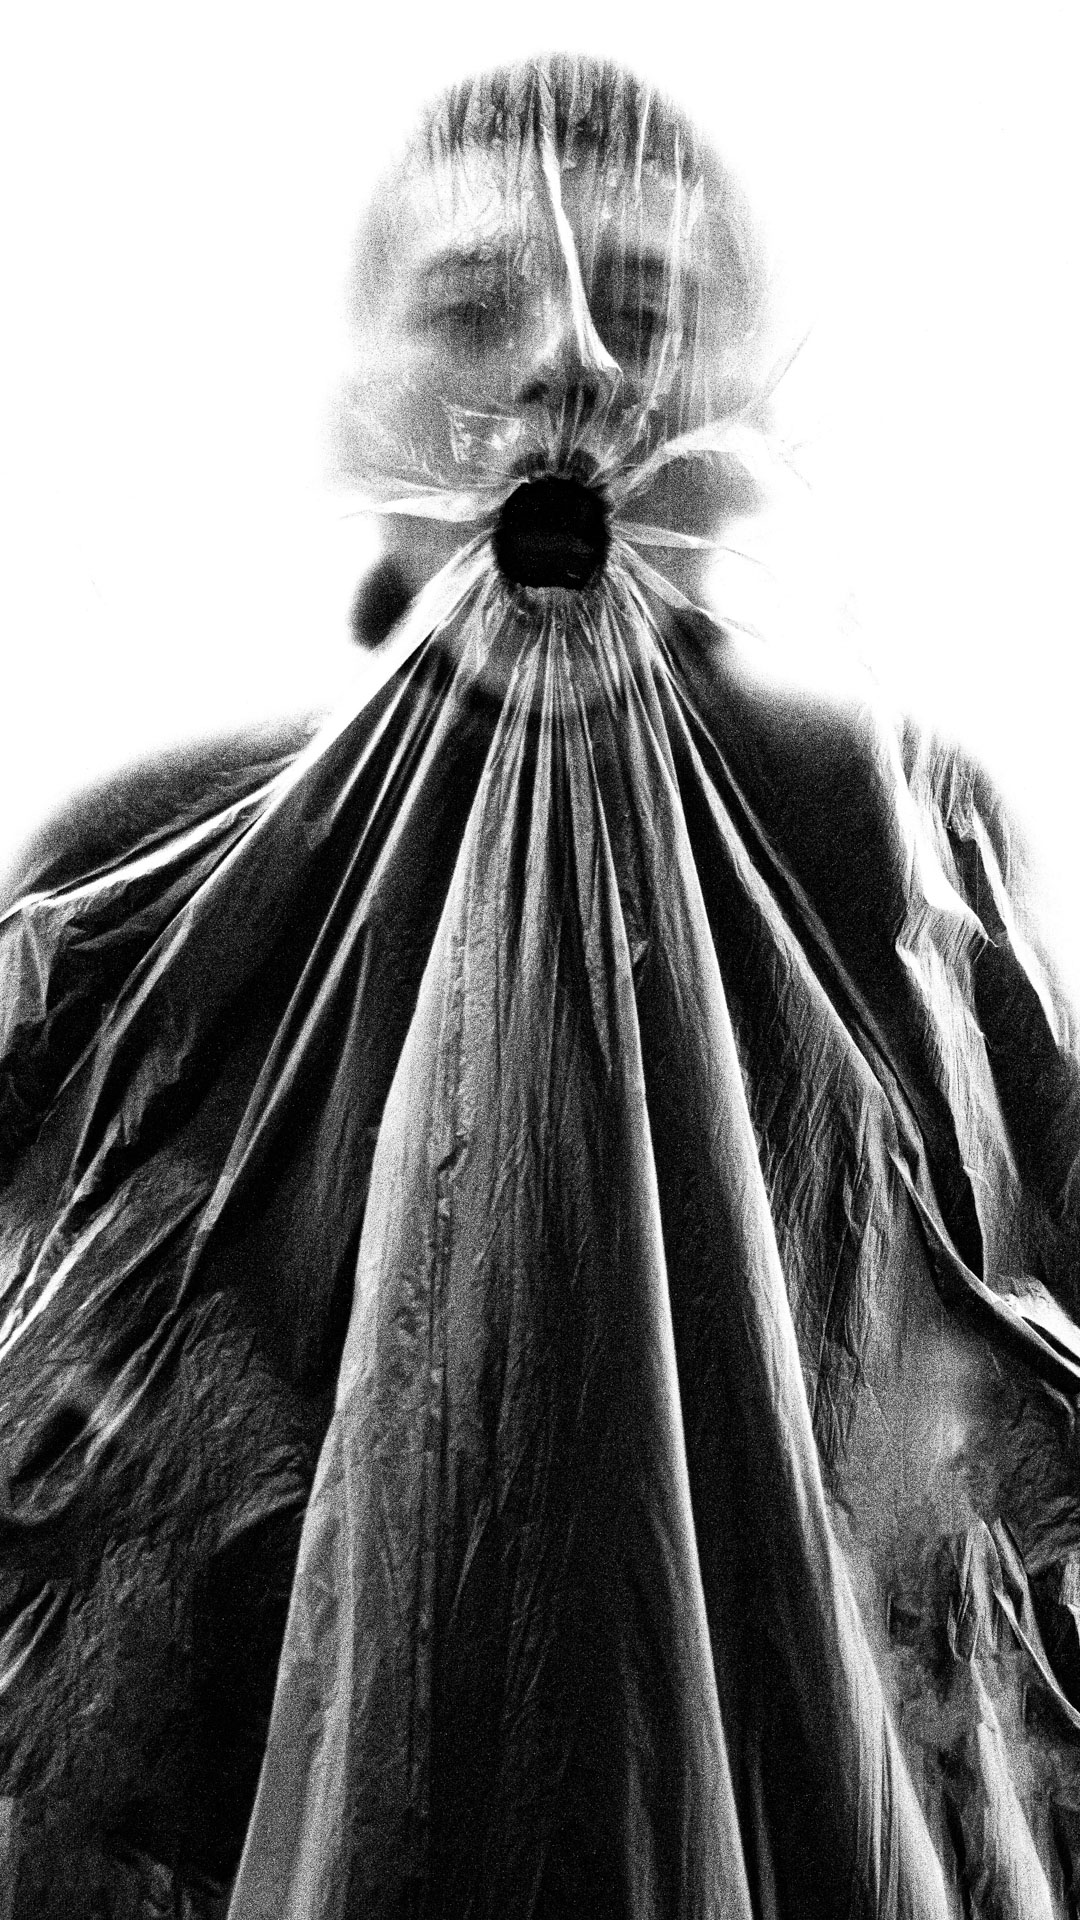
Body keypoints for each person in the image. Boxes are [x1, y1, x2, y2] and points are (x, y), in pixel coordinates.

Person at [2, 53, 1080, 1920]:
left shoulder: (894, 849)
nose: (568, 367)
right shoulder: (147, 879)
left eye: (643, 313)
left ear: (741, 416)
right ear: (358, 412)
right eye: (474, 309)